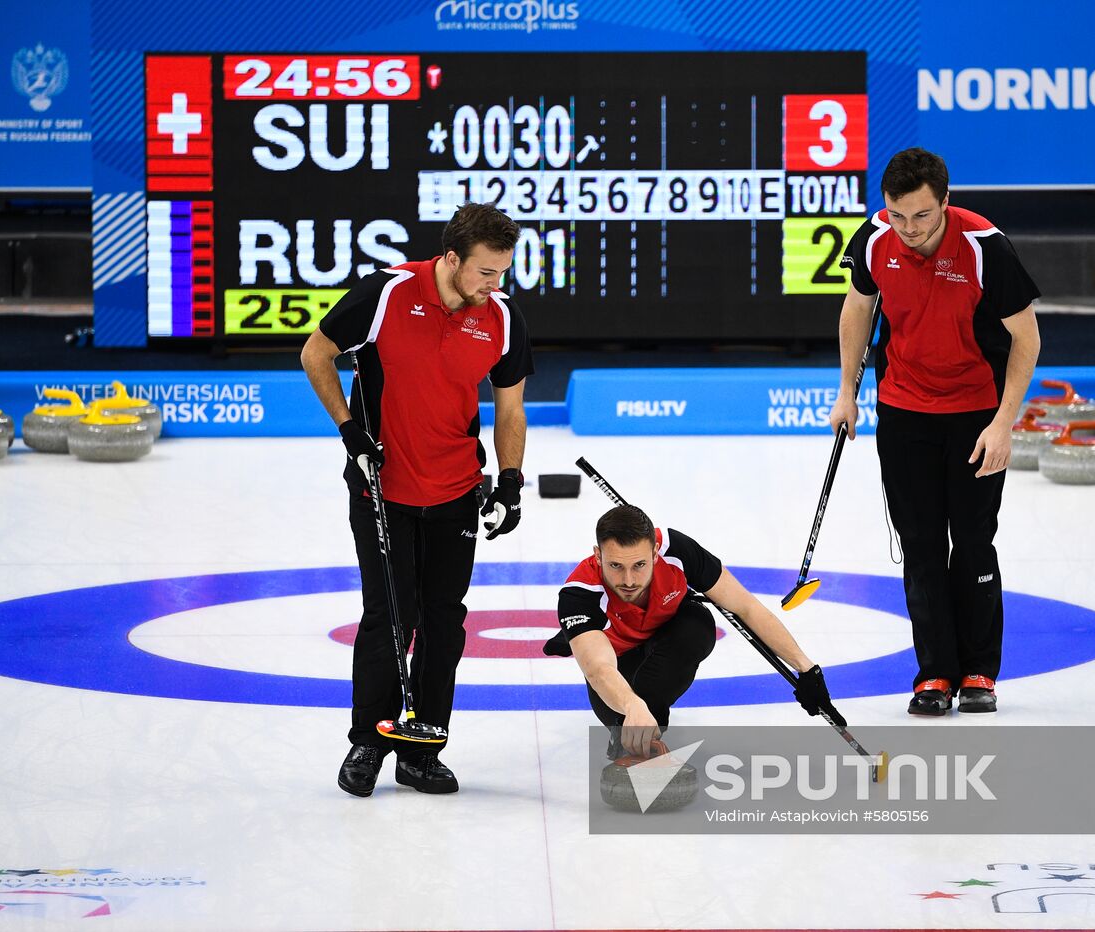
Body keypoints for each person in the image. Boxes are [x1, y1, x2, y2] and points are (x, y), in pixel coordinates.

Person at [301, 202, 532, 796]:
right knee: (388, 616)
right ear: (451, 259)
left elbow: (510, 409)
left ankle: (423, 747)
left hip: (456, 489)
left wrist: (510, 481)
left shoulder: (502, 318)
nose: (494, 285)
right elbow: (315, 353)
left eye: (502, 273)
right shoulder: (386, 294)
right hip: (384, 488)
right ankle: (368, 743)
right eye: (485, 272)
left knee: (444, 622)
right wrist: (352, 432)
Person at [829, 147, 1041, 716]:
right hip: (903, 412)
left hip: (976, 413)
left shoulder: (984, 247)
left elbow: (1027, 339)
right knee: (920, 547)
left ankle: (978, 671)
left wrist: (1004, 424)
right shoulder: (875, 238)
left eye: (922, 216)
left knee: (971, 544)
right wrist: (847, 390)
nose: (910, 229)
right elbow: (857, 309)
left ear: (945, 202)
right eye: (898, 216)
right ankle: (933, 675)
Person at [545, 504, 841, 758]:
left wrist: (806, 668)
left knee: (697, 626)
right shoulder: (579, 594)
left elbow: (746, 607)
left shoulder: (679, 551)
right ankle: (634, 734)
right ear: (597, 556)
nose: (629, 580)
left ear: (656, 551)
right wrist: (632, 705)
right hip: (620, 662)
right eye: (615, 566)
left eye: (639, 565)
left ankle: (648, 740)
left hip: (668, 634)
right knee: (622, 715)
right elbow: (599, 669)